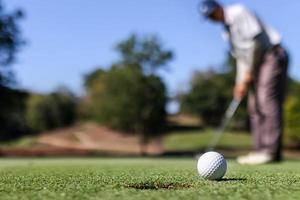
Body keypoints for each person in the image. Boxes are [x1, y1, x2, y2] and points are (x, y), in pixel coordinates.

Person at [199, 0, 289, 164]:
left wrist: (249, 72)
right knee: (253, 106)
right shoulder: (226, 32)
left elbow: (257, 42)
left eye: (212, 13)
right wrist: (239, 83)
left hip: (271, 55)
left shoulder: (239, 12)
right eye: (209, 17)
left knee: (266, 100)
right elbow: (241, 58)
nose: (212, 18)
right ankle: (260, 150)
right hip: (255, 63)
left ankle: (270, 151)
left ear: (219, 7)